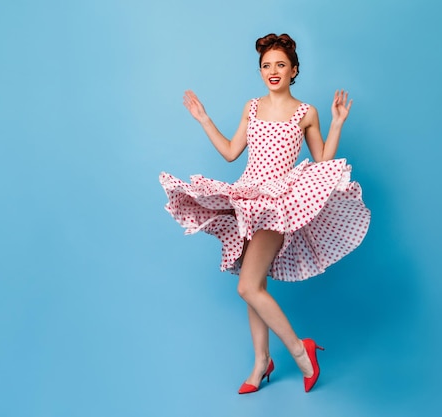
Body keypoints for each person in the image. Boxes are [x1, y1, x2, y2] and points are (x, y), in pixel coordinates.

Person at [159, 33, 370, 394]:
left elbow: (322, 161)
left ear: (294, 70)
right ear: (261, 72)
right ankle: (261, 363)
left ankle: (302, 352)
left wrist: (336, 124)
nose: (273, 71)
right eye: (266, 66)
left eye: (280, 65)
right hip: (248, 198)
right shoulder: (251, 107)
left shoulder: (306, 113)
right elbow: (230, 152)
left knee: (247, 286)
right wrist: (203, 118)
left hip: (278, 202)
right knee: (253, 282)